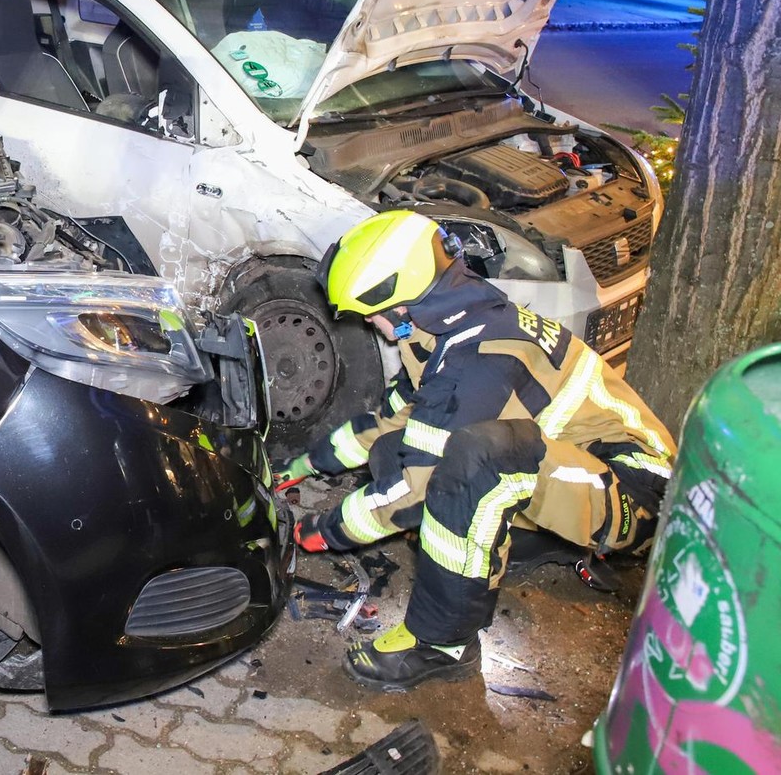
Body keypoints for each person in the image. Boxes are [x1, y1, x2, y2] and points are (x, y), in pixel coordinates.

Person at [276, 209, 676, 692]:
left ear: (402, 301)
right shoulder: (449, 328)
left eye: (372, 316)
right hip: (574, 471)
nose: (374, 327)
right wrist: (300, 466)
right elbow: (393, 419)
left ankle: (442, 645)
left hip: (640, 497)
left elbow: (414, 491)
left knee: (472, 463)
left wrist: (320, 531)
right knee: (393, 451)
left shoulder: (477, 355)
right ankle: (529, 541)